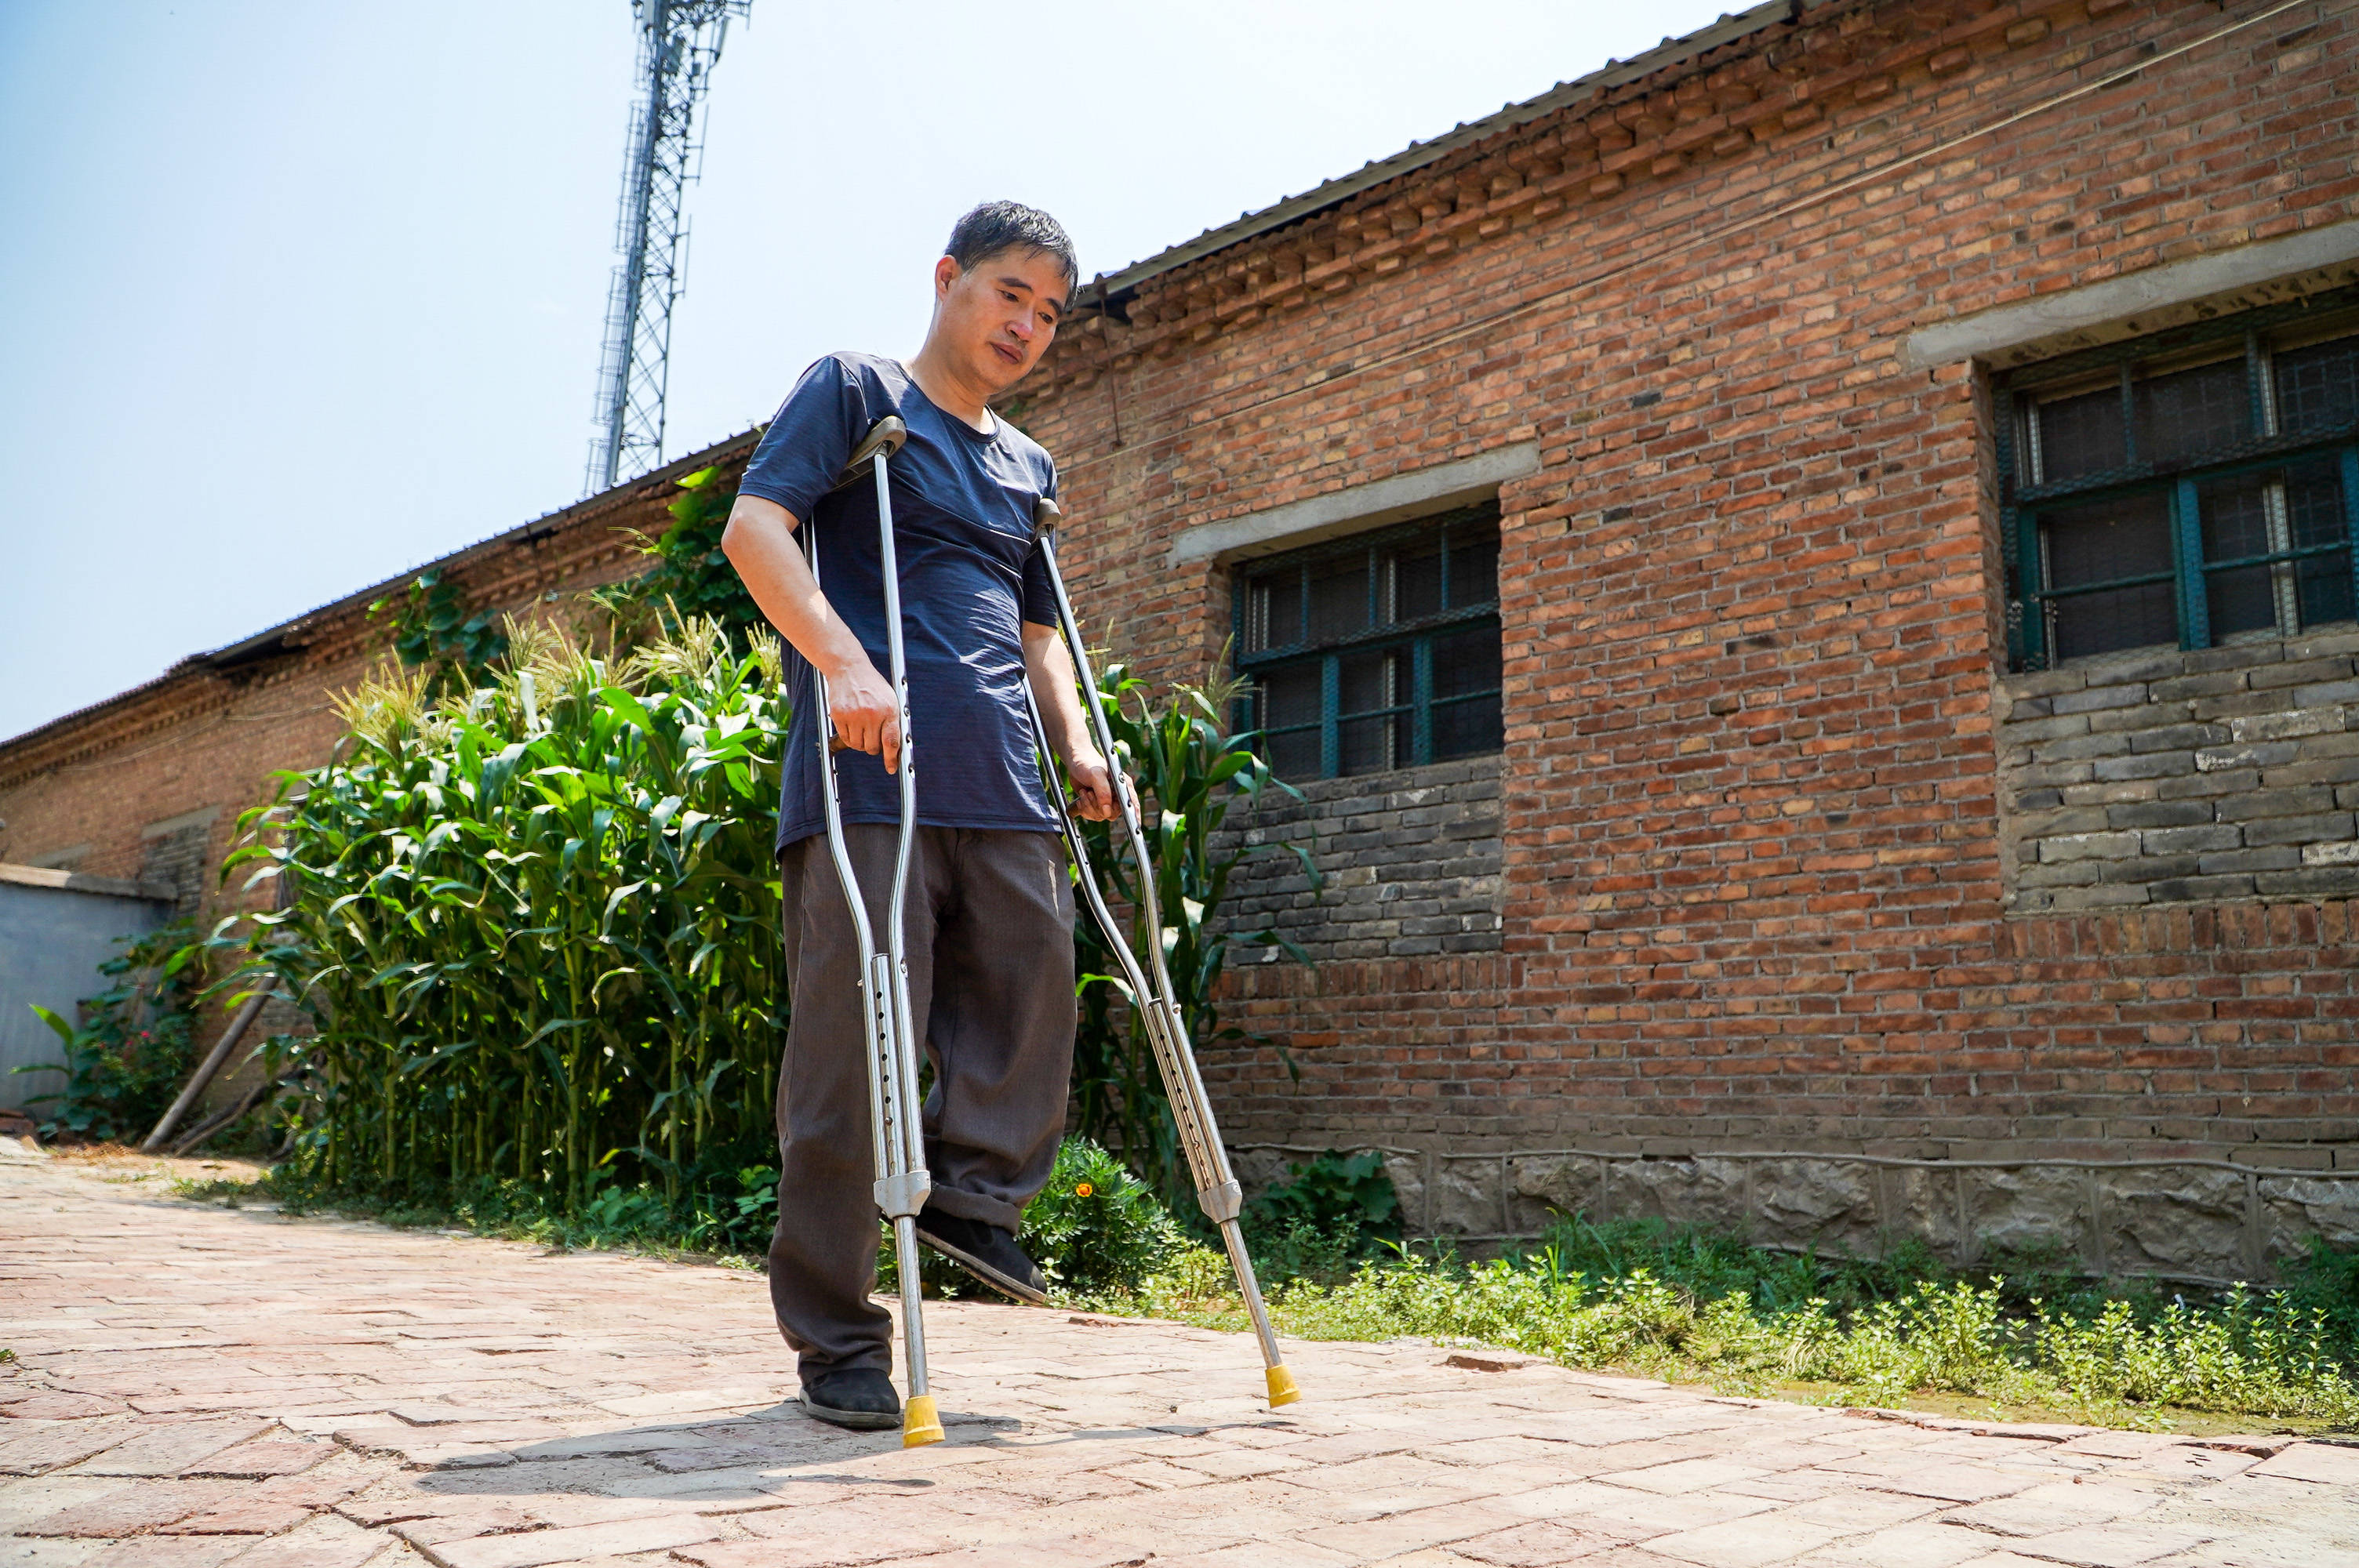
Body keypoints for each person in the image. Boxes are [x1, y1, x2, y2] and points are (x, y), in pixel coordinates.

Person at [719, 201, 1117, 1432]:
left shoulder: (1027, 466)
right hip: (869, 776)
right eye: (1010, 293)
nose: (1028, 325)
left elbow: (1040, 637)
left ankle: (973, 1199)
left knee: (1036, 989)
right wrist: (841, 665)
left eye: (1050, 312)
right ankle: (839, 1339)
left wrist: (1078, 740)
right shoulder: (857, 392)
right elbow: (754, 528)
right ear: (948, 279)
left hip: (1001, 783)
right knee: (852, 1061)